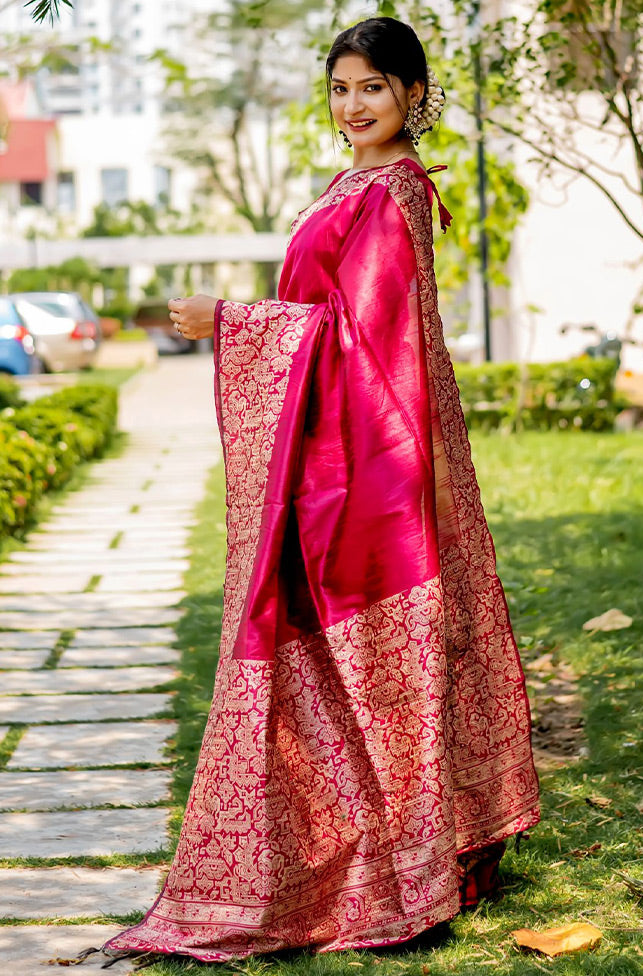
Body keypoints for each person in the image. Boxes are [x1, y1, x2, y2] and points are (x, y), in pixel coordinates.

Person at [98, 15, 539, 966]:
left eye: (373, 88)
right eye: (341, 88)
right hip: (346, 456)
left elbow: (361, 341)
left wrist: (232, 318)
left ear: (413, 96)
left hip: (368, 468)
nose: (353, 105)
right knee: (342, 664)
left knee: (362, 660)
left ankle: (401, 864)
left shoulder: (388, 194)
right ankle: (387, 850)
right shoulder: (362, 184)